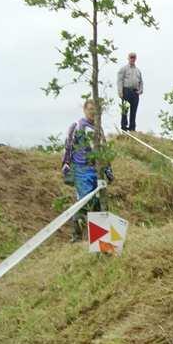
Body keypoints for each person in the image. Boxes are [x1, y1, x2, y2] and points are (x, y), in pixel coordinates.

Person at [61, 99, 113, 242]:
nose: (93, 112)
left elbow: (104, 150)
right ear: (85, 109)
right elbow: (68, 146)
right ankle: (77, 236)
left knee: (97, 202)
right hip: (81, 169)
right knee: (84, 201)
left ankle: (98, 239)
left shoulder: (99, 129)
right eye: (90, 109)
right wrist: (66, 165)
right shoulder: (77, 126)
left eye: (96, 110)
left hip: (97, 169)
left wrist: (108, 168)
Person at [117, 52, 143, 131]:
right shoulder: (123, 69)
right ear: (128, 58)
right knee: (125, 110)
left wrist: (140, 90)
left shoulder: (138, 71)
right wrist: (120, 91)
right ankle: (124, 127)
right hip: (126, 91)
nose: (132, 59)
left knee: (133, 111)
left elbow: (141, 82)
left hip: (135, 93)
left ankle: (132, 128)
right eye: (131, 57)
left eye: (134, 57)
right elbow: (119, 80)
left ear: (135, 59)